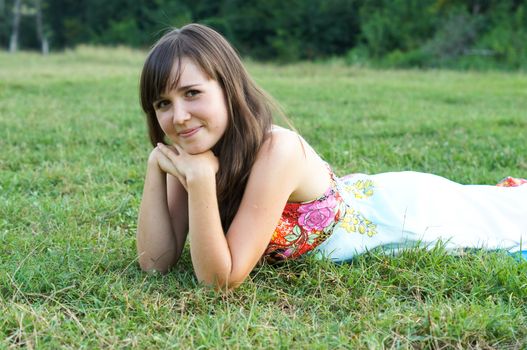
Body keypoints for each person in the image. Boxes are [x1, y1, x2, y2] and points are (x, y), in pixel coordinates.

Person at [136, 23, 527, 290]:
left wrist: (202, 183)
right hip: (366, 196)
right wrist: (157, 168)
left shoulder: (278, 150)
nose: (179, 116)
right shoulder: (190, 153)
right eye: (163, 103)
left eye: (192, 93)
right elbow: (155, 263)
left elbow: (221, 280)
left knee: (508, 217)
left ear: (228, 87)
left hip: (400, 215)